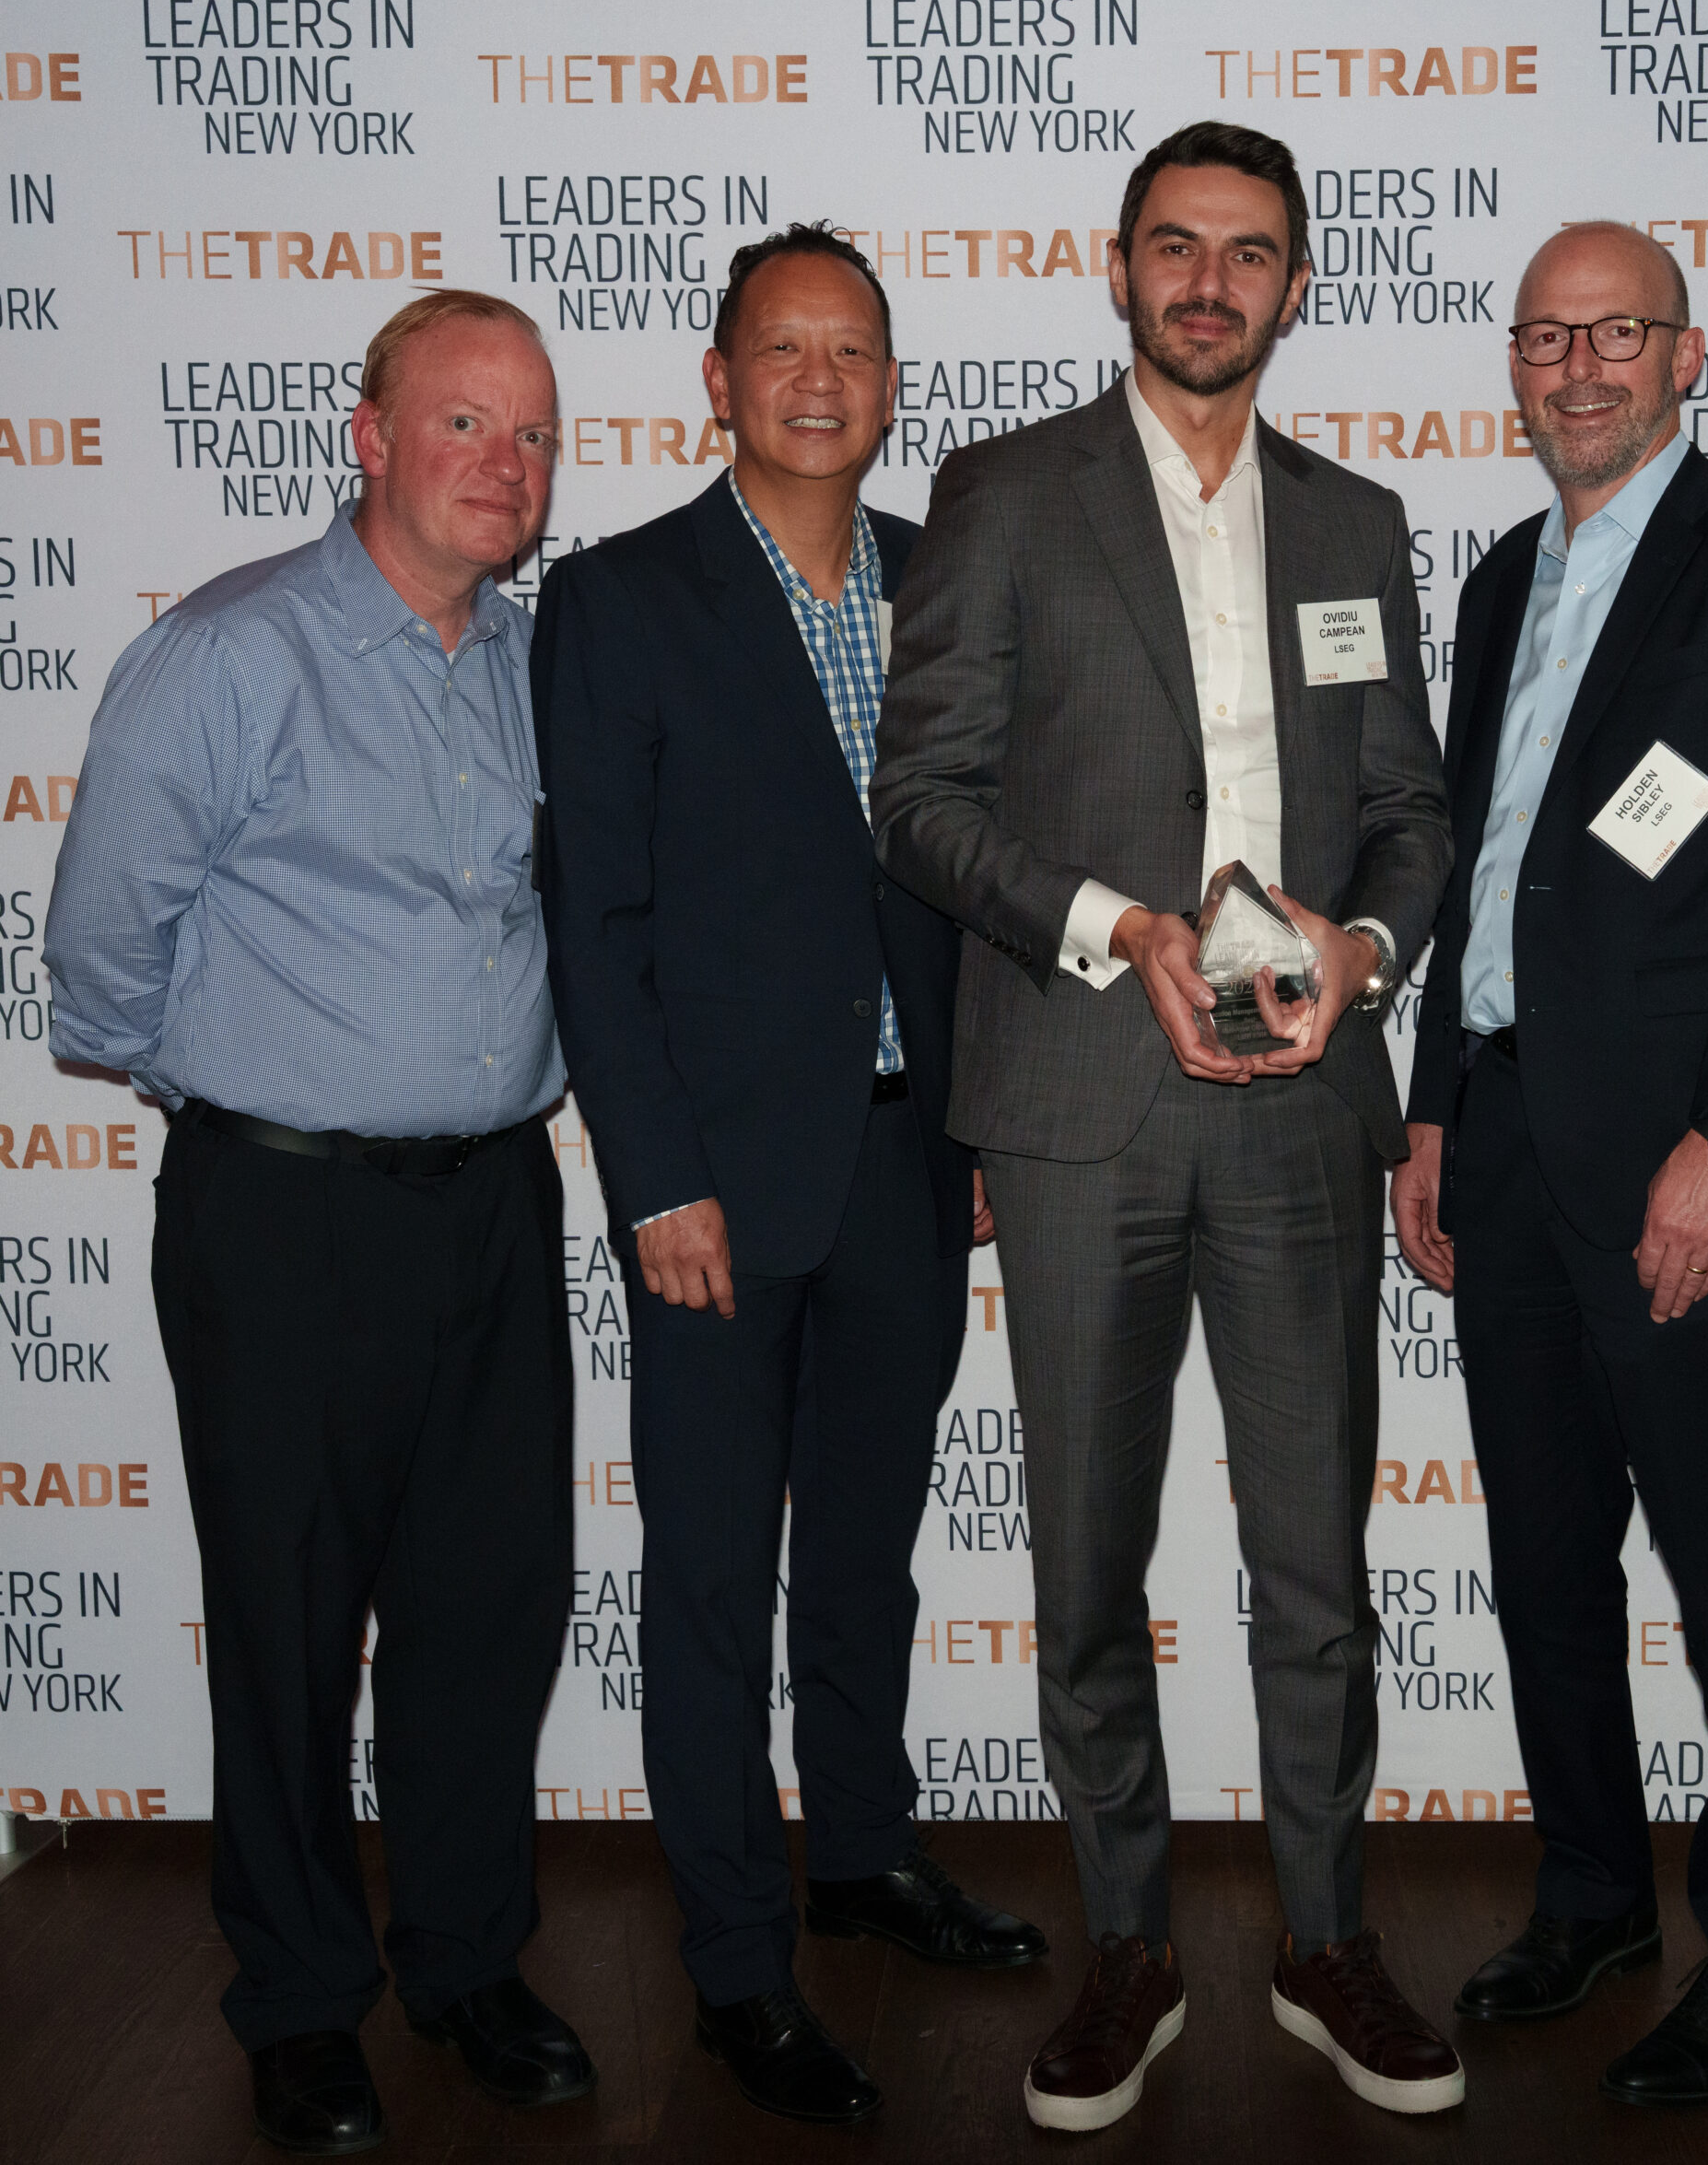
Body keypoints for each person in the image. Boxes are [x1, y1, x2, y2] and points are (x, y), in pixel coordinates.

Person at [872, 122, 1457, 2132]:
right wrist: (1118, 930)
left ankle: (1323, 1939)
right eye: (1177, 246)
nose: (1211, 281)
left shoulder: (1358, 522)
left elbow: (1412, 812)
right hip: (1079, 1103)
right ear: (1116, 269)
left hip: (1302, 1106)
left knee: (1316, 1568)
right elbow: (921, 801)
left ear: (1297, 285)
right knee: (1085, 1566)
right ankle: (1126, 1944)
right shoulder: (1002, 495)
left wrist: (1359, 950)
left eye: (1250, 251)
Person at [45, 291, 591, 2154]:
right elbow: (99, 961)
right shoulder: (227, 652)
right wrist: (259, 1098)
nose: (504, 463)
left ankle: (464, 1961)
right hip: (283, 1213)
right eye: (464, 423)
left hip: (497, 1205)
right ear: (368, 437)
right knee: (286, 1624)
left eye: (532, 434)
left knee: (488, 1610)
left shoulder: (537, 661)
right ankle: (295, 1998)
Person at [530, 227, 1044, 2131]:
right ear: (719, 379)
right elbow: (594, 920)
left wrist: (974, 1125)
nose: (818, 381)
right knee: (707, 1579)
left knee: (862, 1557)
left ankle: (863, 1851)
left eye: (853, 351)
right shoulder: (619, 596)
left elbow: (973, 886)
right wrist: (654, 1176)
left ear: (892, 386)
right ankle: (738, 1959)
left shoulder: (939, 581)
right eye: (782, 348)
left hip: (910, 1163)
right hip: (716, 1197)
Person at [1393, 222, 1708, 2105]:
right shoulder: (1505, 573)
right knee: (1542, 1558)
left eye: (1617, 332)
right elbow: (1481, 866)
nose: (1577, 365)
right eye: (1545, 335)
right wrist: (1434, 1101)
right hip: (1505, 1138)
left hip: (1682, 1151)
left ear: (1688, 356)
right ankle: (1592, 1892)